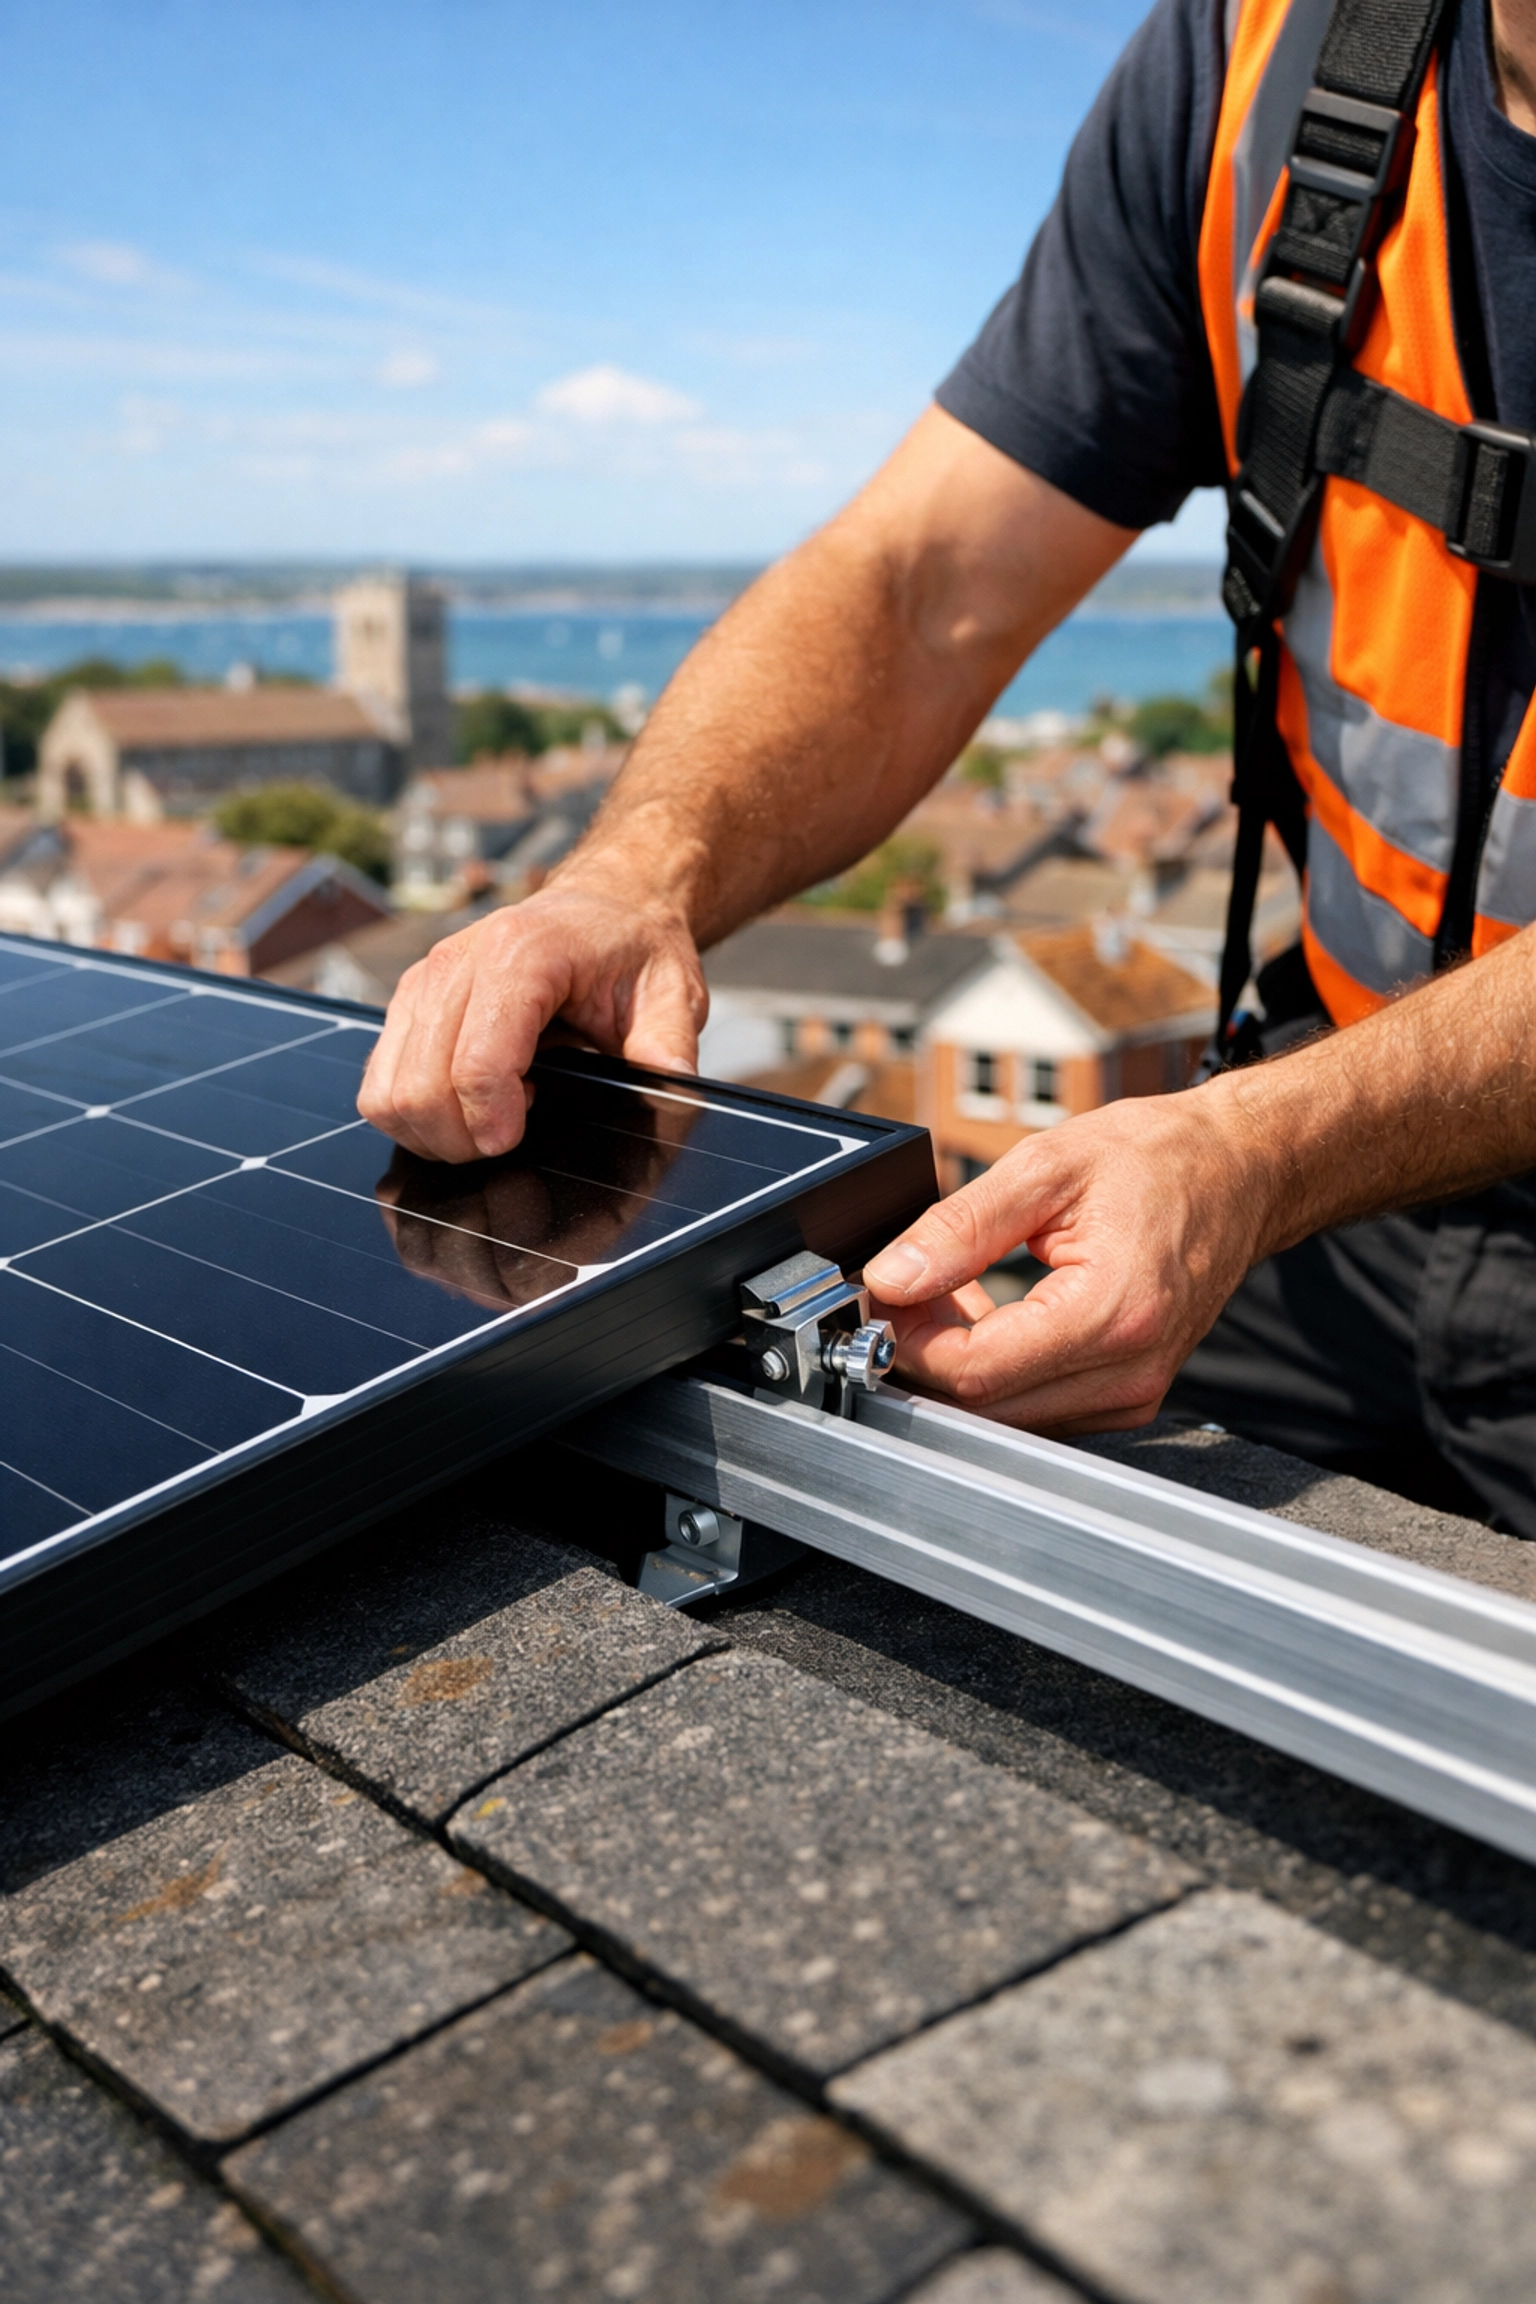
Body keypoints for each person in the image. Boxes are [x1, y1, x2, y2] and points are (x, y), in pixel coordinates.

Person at [362, 0, 1536, 1537]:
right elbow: (918, 590)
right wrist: (632, 879)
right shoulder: (1261, 65)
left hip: (1312, 1141)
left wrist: (1261, 1146)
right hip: (1333, 1176)